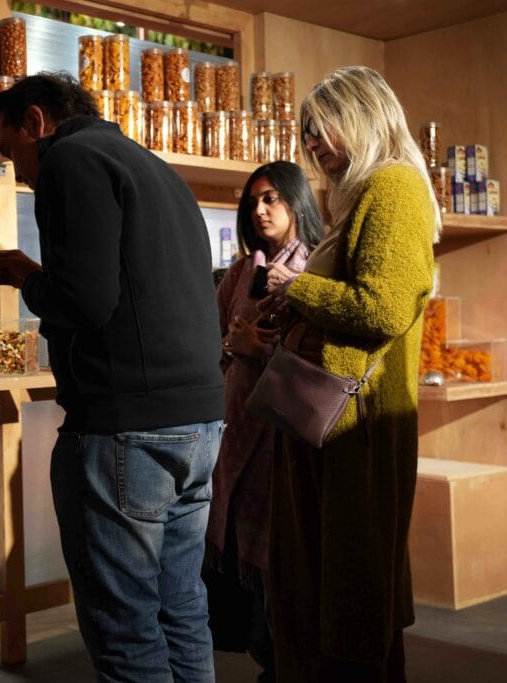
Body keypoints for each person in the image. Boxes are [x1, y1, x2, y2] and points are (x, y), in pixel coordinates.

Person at [0, 73, 224, 683]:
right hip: (199, 421)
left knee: (125, 627)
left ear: (36, 122)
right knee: (182, 608)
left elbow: (86, 301)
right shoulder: (156, 167)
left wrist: (26, 278)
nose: (25, 172)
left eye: (14, 154)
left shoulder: (70, 158)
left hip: (128, 427)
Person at [262, 66, 439, 682]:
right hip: (334, 424)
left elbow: (385, 308)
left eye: (321, 129)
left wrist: (299, 286)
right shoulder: (358, 193)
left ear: (360, 117)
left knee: (350, 593)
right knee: (333, 589)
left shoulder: (392, 188)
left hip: (355, 428)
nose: (311, 144)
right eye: (306, 132)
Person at [203, 161, 323, 682]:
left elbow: (322, 362)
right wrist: (236, 345)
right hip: (237, 432)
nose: (260, 210)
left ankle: (287, 665)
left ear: (297, 202)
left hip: (291, 434)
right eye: (253, 201)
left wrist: (257, 349)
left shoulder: (317, 270)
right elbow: (211, 346)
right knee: (249, 572)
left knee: (288, 563)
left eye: (272, 198)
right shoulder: (236, 274)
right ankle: (269, 659)